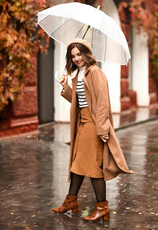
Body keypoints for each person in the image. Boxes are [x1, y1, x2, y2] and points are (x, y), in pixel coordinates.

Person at [52, 38, 134, 221]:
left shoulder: (95, 73)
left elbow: (103, 102)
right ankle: (71, 201)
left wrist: (102, 128)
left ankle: (102, 207)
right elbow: (77, 101)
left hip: (93, 124)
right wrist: (65, 86)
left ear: (87, 53)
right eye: (73, 56)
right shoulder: (79, 75)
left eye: (79, 54)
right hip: (82, 124)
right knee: (77, 165)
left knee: (93, 167)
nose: (76, 58)